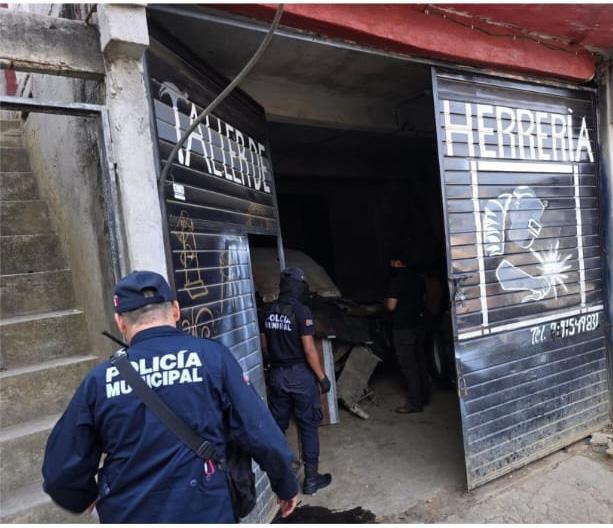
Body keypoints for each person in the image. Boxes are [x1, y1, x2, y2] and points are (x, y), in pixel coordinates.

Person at [42, 270, 298, 523]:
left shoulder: (99, 381)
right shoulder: (213, 358)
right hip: (208, 511)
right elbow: (260, 432)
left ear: (120, 322)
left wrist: (87, 500)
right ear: (175, 309)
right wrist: (285, 486)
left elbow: (59, 474)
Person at [260, 267, 333, 495]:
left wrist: (277, 360)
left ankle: (282, 474)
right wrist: (322, 377)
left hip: (277, 375)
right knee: (308, 425)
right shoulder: (302, 312)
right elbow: (309, 349)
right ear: (299, 286)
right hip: (299, 375)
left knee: (277, 426)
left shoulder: (267, 310)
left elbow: (264, 346)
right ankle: (311, 480)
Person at [384, 249, 429, 414]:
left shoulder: (396, 280)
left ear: (397, 262)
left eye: (391, 262)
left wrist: (384, 302)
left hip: (403, 329)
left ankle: (415, 403)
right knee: (421, 362)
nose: (390, 265)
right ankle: (425, 397)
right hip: (418, 325)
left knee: (409, 367)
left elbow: (391, 306)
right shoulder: (419, 279)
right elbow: (424, 299)